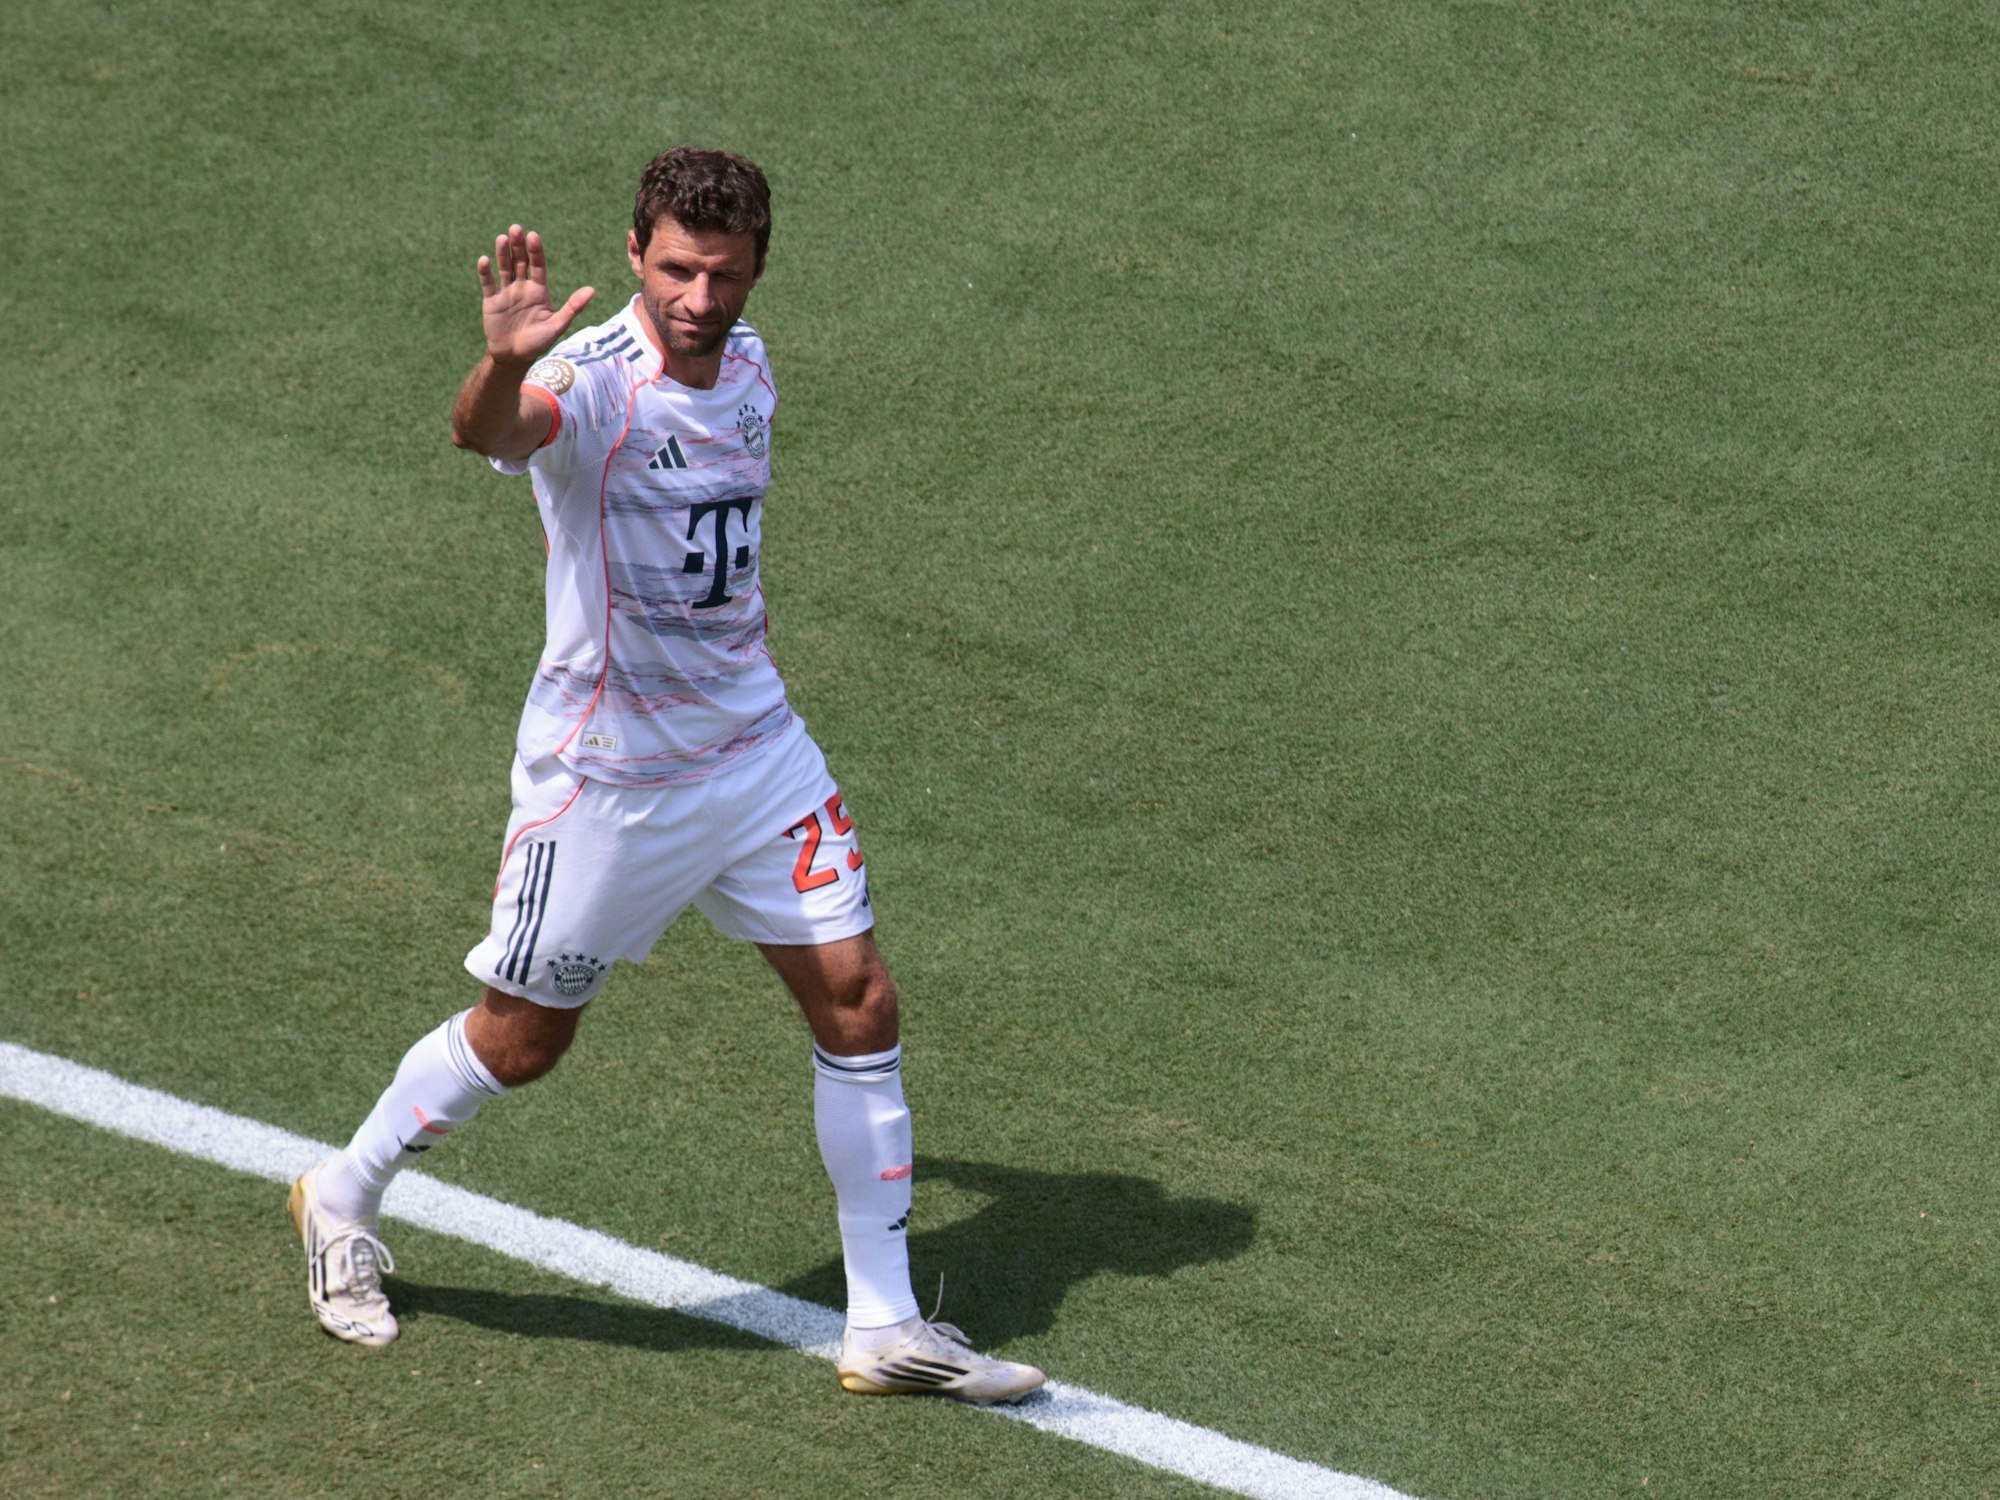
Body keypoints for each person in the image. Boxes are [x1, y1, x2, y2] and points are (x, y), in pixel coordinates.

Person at [286, 146, 1044, 1405]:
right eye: (678, 270)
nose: (700, 297)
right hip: (610, 782)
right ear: (635, 255)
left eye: (725, 275)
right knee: (524, 1043)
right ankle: (342, 1193)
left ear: (755, 271)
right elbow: (491, 429)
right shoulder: (592, 384)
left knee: (857, 999)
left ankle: (882, 1323)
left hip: (754, 755)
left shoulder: (748, 369)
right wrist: (506, 359)